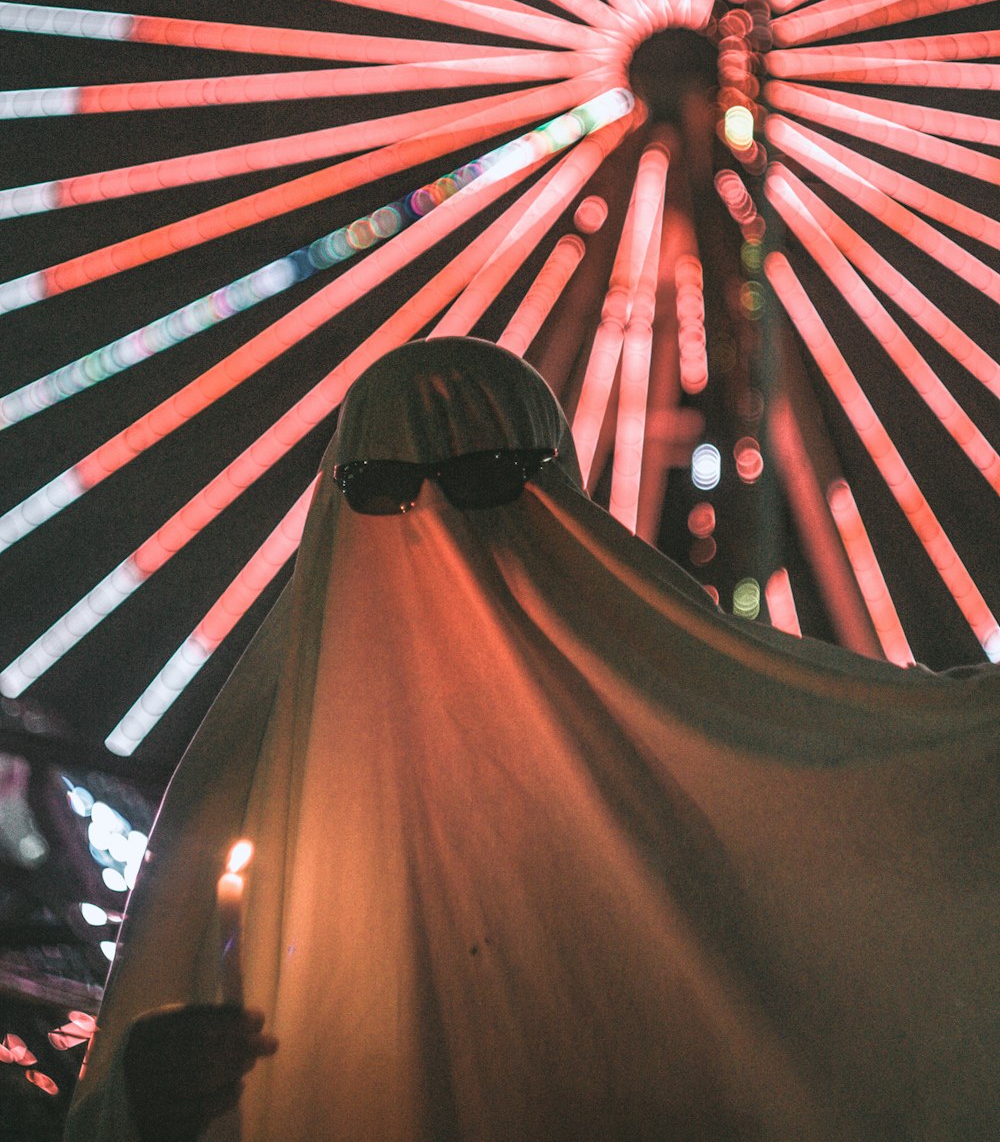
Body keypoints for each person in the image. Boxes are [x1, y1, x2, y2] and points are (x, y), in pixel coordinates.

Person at [66, 337, 1000, 1140]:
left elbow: (893, 790)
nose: (430, 519)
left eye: (484, 480)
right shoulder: (244, 783)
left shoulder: (251, 776)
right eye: (381, 486)